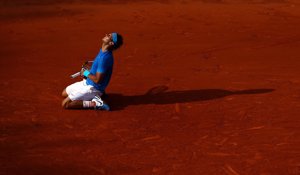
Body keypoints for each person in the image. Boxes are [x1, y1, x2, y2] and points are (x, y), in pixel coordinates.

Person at [61, 32, 123, 110]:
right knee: (64, 93)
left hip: (93, 88)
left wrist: (86, 73)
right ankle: (98, 95)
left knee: (65, 104)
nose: (106, 34)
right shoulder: (103, 51)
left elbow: (97, 80)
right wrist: (90, 70)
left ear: (111, 43)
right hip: (87, 82)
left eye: (109, 36)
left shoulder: (104, 58)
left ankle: (96, 103)